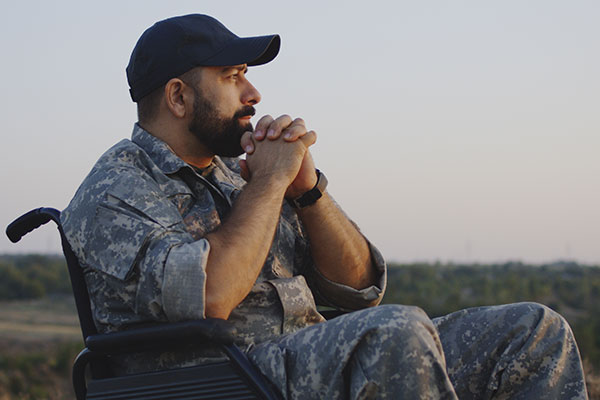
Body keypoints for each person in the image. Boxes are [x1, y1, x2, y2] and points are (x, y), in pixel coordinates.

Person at [61, 14, 588, 399]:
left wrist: (307, 189)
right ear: (178, 97)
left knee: (534, 332)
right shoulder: (115, 189)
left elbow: (361, 291)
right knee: (394, 336)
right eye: (232, 76)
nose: (253, 92)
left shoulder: (234, 172)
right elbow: (210, 296)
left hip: (303, 357)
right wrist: (268, 183)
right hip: (216, 378)